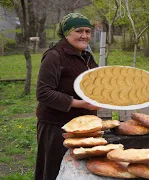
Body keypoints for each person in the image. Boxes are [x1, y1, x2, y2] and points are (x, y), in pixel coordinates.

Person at [35, 13, 100, 180]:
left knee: (79, 171)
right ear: (66, 33)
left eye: (88, 31)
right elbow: (43, 93)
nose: (85, 36)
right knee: (55, 170)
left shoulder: (85, 55)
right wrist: (80, 104)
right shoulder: (54, 56)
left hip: (84, 124)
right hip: (57, 126)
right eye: (79, 31)